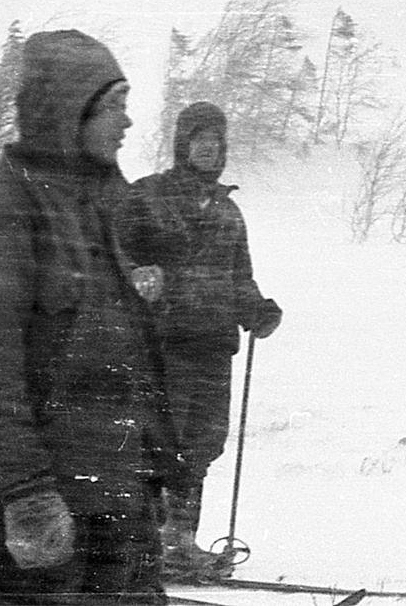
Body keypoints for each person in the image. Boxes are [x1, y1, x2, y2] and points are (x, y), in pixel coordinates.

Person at [0, 30, 183, 604]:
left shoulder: (99, 208)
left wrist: (147, 471)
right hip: (24, 520)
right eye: (115, 105)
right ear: (70, 112)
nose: (127, 123)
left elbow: (126, 360)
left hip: (110, 505)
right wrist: (28, 494)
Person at [118, 101, 282, 582]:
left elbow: (239, 277)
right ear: (182, 145)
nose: (209, 148)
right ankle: (142, 545)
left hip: (214, 343)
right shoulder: (147, 197)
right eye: (199, 139)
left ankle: (179, 543)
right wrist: (136, 274)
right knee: (156, 443)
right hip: (161, 343)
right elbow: (112, 248)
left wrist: (257, 310)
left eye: (217, 140)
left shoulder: (230, 213)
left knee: (202, 444)